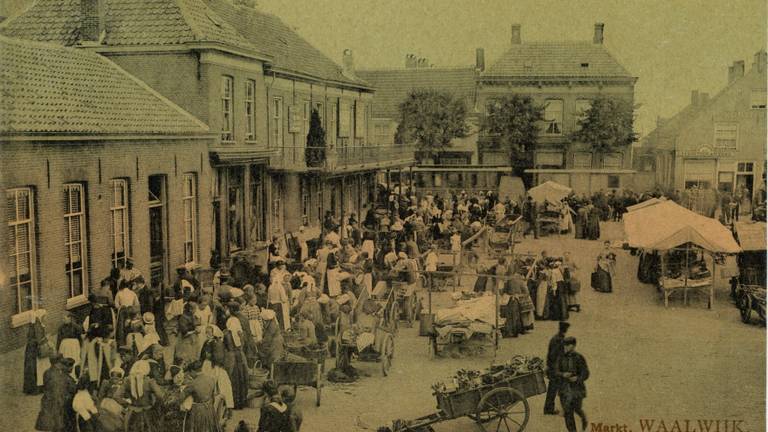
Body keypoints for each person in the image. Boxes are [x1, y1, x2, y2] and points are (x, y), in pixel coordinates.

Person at [556, 337, 590, 432]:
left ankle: (583, 418)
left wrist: (577, 378)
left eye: (568, 345)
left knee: (577, 408)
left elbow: (586, 373)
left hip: (577, 389)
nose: (565, 347)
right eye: (564, 345)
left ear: (574, 346)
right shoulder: (561, 357)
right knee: (568, 413)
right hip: (564, 389)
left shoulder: (579, 358)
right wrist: (563, 374)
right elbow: (556, 371)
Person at [35, 356, 76, 432]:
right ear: (57, 363)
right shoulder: (60, 376)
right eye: (61, 362)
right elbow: (64, 391)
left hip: (48, 402)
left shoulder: (46, 372)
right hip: (58, 404)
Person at [182, 360, 222, 432]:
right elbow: (213, 397)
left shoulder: (193, 383)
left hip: (197, 412)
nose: (190, 375)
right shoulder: (211, 379)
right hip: (210, 409)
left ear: (193, 371)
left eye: (190, 372)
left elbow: (181, 396)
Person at [544, 321, 570, 415]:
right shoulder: (559, 340)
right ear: (565, 330)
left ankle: (548, 408)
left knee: (553, 389)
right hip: (555, 369)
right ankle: (564, 410)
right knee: (561, 389)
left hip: (552, 368)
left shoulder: (555, 338)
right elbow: (554, 355)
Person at [24, 309, 52, 395]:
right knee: (37, 368)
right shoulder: (37, 325)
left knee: (32, 369)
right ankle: (37, 387)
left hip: (31, 349)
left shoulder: (34, 325)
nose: (45, 318)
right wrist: (47, 338)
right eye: (44, 316)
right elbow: (39, 340)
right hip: (35, 350)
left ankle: (32, 387)